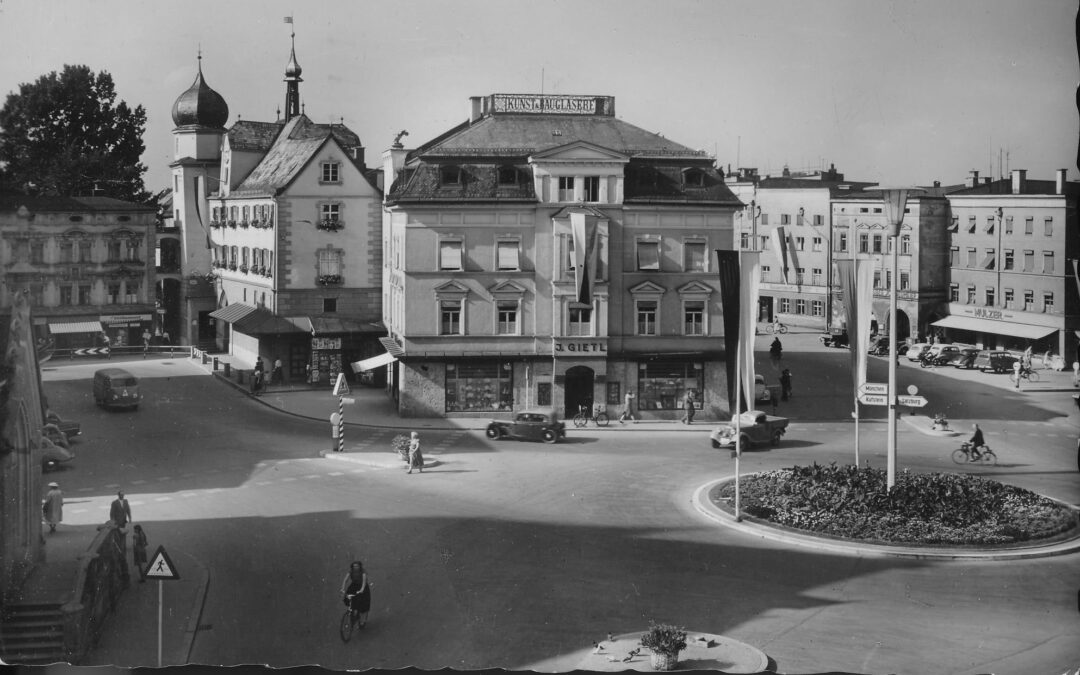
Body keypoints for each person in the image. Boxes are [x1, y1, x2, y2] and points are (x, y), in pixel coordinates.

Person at [340, 561, 372, 628]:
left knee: (363, 605)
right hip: (354, 586)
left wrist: (362, 589)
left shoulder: (362, 572)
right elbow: (345, 580)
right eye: (354, 566)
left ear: (359, 566)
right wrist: (342, 589)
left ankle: (362, 621)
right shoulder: (351, 571)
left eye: (357, 566)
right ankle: (353, 610)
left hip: (362, 587)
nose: (356, 567)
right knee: (349, 598)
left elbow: (364, 580)